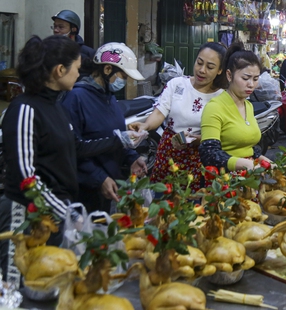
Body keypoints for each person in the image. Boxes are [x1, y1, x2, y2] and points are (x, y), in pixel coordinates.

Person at [0, 36, 137, 281]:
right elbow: (26, 178)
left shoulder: (57, 108)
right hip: (25, 216)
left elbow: (77, 147)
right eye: (75, 68)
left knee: (48, 281)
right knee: (18, 282)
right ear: (59, 70)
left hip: (54, 212)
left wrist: (121, 140)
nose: (78, 73)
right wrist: (68, 212)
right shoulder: (24, 109)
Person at [61, 43, 147, 213]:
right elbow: (73, 149)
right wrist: (99, 178)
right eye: (123, 76)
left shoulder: (109, 97)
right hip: (84, 191)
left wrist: (132, 158)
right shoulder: (76, 98)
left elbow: (116, 136)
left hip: (107, 188)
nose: (124, 81)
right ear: (107, 69)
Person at [129, 43, 227, 189]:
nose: (202, 70)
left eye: (210, 67)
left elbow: (222, 135)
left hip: (199, 157)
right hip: (168, 152)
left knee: (191, 202)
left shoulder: (222, 98)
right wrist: (145, 126)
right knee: (163, 199)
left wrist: (195, 140)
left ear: (220, 70)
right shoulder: (177, 84)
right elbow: (159, 112)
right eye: (199, 63)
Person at [199, 43, 274, 170]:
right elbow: (209, 154)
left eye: (255, 79)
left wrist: (266, 162)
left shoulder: (248, 106)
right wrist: (247, 164)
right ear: (229, 75)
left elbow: (247, 148)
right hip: (226, 180)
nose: (251, 84)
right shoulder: (214, 107)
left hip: (249, 176)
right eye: (245, 78)